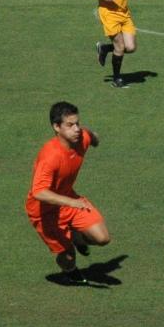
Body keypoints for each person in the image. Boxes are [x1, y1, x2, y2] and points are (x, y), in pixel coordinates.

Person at [25, 102, 111, 283]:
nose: (77, 129)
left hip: (68, 199)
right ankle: (71, 272)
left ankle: (76, 239)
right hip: (44, 211)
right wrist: (71, 202)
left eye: (77, 123)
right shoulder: (50, 156)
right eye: (70, 125)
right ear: (56, 127)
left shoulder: (81, 138)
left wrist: (93, 137)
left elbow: (91, 137)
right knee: (67, 258)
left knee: (102, 238)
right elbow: (38, 192)